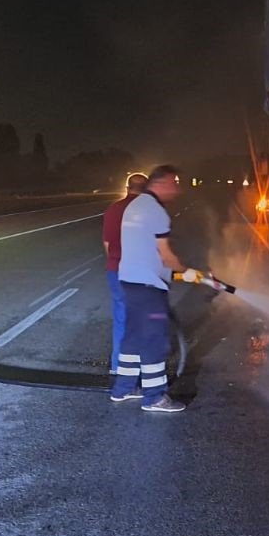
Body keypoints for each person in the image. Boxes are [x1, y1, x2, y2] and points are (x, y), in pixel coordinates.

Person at [109, 164, 199, 413]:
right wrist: (186, 270)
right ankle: (154, 397)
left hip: (129, 280)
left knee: (133, 336)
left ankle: (123, 388)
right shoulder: (157, 211)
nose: (177, 189)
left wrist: (174, 272)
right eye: (174, 183)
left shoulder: (134, 206)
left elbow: (144, 248)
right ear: (160, 183)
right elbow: (166, 254)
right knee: (154, 340)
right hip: (148, 286)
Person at [103, 172, 149, 383]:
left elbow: (107, 244)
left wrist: (116, 260)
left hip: (117, 270)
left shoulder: (114, 209)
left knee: (122, 319)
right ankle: (138, 368)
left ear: (127, 188)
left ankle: (118, 366)